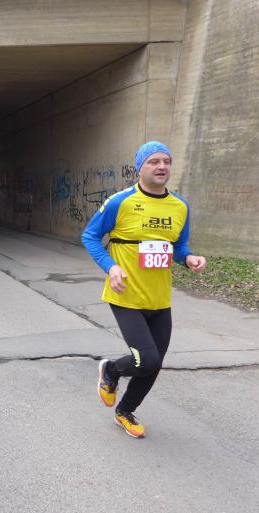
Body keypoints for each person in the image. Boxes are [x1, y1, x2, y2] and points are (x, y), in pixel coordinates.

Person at [82, 141, 206, 438]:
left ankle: (125, 411)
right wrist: (111, 267)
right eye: (154, 161)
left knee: (154, 364)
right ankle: (111, 370)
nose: (162, 166)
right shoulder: (120, 202)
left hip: (160, 299)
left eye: (166, 161)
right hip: (126, 295)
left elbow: (179, 246)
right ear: (140, 167)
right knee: (145, 359)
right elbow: (89, 236)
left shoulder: (180, 206)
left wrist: (189, 258)